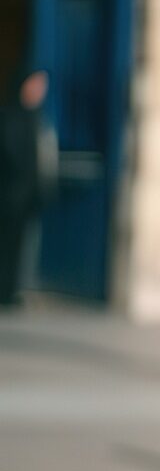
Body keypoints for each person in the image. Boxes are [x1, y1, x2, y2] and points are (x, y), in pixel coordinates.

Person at [0, 67, 56, 308]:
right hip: (10, 195)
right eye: (35, 84)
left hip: (29, 198)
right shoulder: (9, 116)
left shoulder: (39, 118)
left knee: (21, 248)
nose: (39, 91)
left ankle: (11, 289)